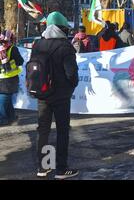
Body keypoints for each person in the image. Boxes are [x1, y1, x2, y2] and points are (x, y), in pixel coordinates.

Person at [32, 11, 79, 179]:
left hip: (42, 94)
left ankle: (43, 167)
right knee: (62, 131)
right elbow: (72, 74)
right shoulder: (66, 47)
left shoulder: (38, 44)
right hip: (61, 96)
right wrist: (71, 86)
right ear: (62, 28)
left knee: (43, 130)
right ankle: (61, 169)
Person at [0, 30, 23, 126]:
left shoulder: (5, 49)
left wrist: (7, 61)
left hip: (6, 79)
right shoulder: (13, 49)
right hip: (10, 79)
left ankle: (4, 119)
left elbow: (19, 62)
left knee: (4, 100)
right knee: (5, 100)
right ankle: (10, 117)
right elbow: (20, 62)